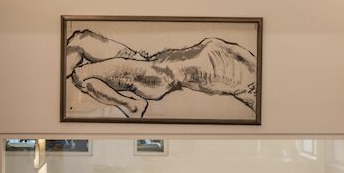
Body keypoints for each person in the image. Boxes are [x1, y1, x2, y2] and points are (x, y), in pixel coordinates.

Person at [64, 29, 257, 119]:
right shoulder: (251, 65)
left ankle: (131, 106)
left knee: (81, 75)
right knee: (81, 39)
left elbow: (260, 108)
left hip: (155, 76)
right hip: (148, 60)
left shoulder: (251, 86)